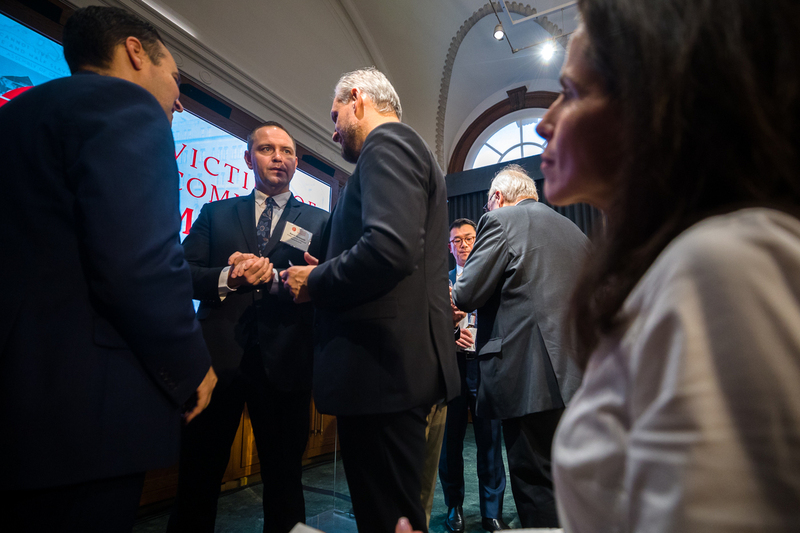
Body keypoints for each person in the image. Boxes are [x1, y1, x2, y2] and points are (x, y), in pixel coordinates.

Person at [535, 0, 800, 531]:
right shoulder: (675, 266)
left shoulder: (724, 267)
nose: (545, 124)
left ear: (656, 106)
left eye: (571, 93)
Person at [0, 6, 215, 532]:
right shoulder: (126, 107)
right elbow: (139, 261)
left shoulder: (19, 116)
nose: (179, 98)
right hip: (82, 413)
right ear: (136, 52)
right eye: (175, 77)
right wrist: (191, 366)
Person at [283, 67, 460, 533]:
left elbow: (389, 249)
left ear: (357, 99)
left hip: (384, 374)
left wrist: (316, 280)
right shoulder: (402, 151)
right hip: (391, 374)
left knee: (387, 522)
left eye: (335, 112)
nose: (333, 127)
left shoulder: (388, 143)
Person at [168, 122, 329, 533]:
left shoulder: (321, 222)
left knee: (284, 480)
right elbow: (182, 273)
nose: (278, 157)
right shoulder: (216, 213)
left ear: (296, 162)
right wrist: (230, 277)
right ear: (248, 158)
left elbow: (329, 286)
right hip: (216, 364)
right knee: (197, 477)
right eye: (267, 149)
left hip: (287, 364)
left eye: (287, 151)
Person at [451, 164, 588, 528]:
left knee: (536, 488)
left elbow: (466, 293)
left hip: (529, 379)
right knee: (572, 488)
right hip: (582, 381)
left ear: (497, 198)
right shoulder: (573, 230)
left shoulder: (500, 221)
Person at [439, 218, 508, 533]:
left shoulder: (491, 278)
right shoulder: (442, 282)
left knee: (490, 442)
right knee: (450, 442)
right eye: (457, 240)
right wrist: (453, 331)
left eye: (469, 238)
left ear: (478, 242)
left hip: (485, 366)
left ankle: (491, 512)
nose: (463, 244)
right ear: (450, 248)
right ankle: (453, 506)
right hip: (452, 368)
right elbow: (429, 325)